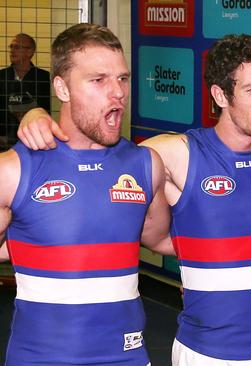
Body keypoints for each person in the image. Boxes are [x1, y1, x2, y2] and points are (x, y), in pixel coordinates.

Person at [18, 34, 251, 365]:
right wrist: (36, 115)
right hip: (205, 351)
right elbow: (98, 159)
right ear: (220, 94)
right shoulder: (174, 154)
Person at [0, 23, 173, 365]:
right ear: (61, 88)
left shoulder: (146, 165)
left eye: (122, 79)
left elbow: (161, 239)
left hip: (128, 357)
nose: (118, 93)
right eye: (99, 80)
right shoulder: (14, 170)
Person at [0, 33, 50, 150]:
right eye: (11, 47)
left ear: (30, 52)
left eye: (17, 47)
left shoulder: (42, 77)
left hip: (33, 139)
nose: (12, 50)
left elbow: (46, 109)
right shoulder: (1, 76)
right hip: (3, 140)